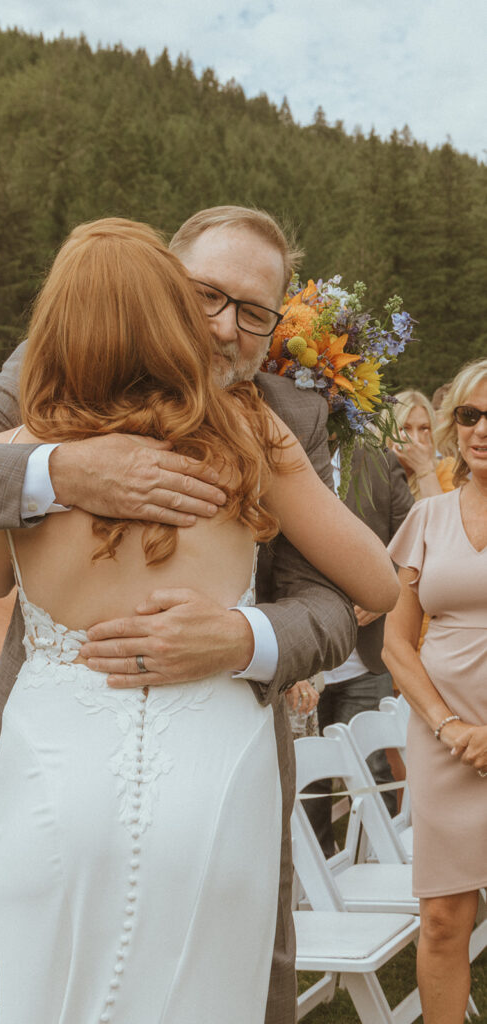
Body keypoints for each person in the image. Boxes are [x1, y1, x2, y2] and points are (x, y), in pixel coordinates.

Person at [0, 204, 361, 1023]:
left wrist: (244, 637)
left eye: (254, 312)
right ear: (159, 284)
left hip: (223, 768)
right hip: (56, 759)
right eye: (205, 295)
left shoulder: (282, 416)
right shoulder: (46, 373)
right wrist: (56, 471)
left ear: (274, 328)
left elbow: (336, 603)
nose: (226, 328)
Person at [383, 357, 487, 1024]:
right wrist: (450, 726)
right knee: (445, 920)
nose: (480, 430)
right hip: (445, 744)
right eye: (471, 415)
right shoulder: (427, 515)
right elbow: (396, 643)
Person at [304, 446, 413, 854]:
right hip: (300, 664)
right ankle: (317, 892)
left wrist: (384, 588)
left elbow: (414, 546)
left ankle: (377, 868)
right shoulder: (279, 456)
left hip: (363, 660)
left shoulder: (376, 459)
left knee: (373, 778)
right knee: (306, 787)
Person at [389, 389, 455, 499]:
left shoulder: (445, 469)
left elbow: (441, 515)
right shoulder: (370, 469)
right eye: (405, 428)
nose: (415, 438)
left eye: (424, 428)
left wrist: (424, 470)